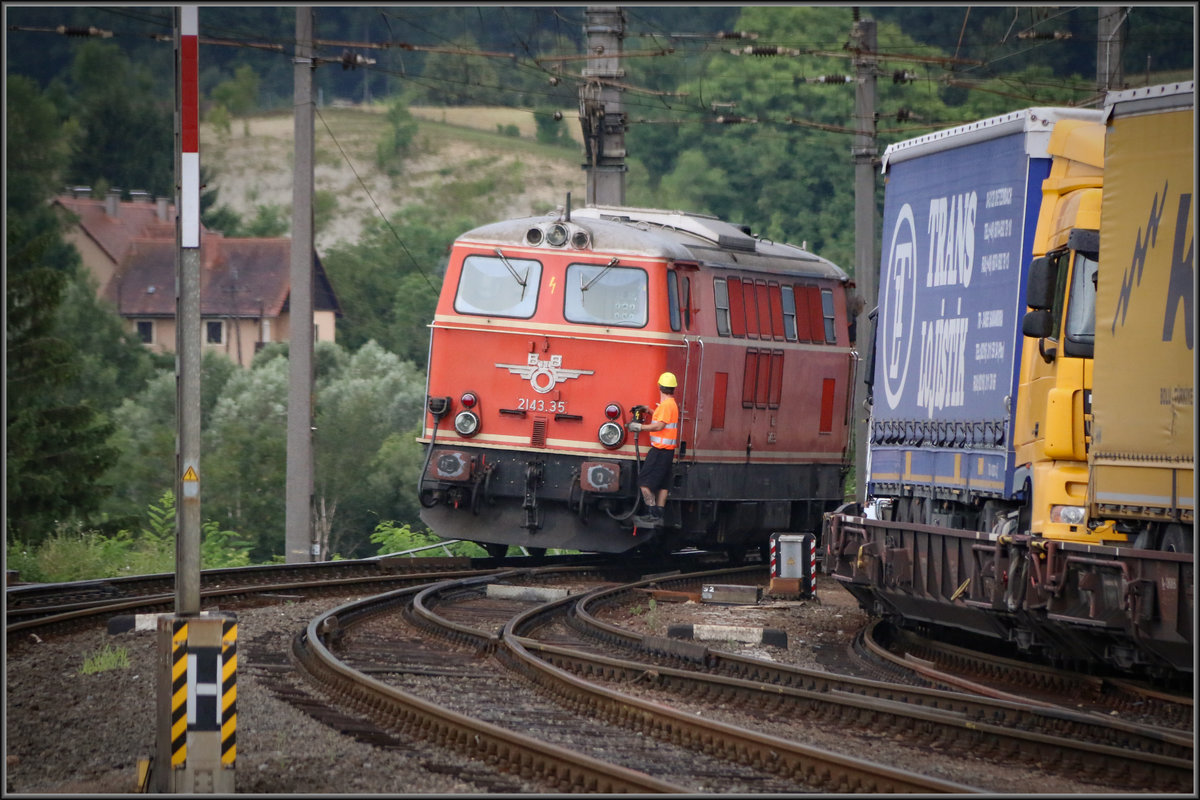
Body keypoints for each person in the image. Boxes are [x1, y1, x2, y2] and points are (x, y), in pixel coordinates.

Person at [627, 371, 679, 527]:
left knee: (643, 482)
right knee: (663, 483)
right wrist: (647, 409)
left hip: (659, 451)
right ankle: (660, 514)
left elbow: (659, 425)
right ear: (673, 388)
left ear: (659, 387)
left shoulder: (666, 406)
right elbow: (661, 417)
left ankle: (652, 513)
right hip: (668, 452)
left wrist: (639, 427)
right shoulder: (671, 404)